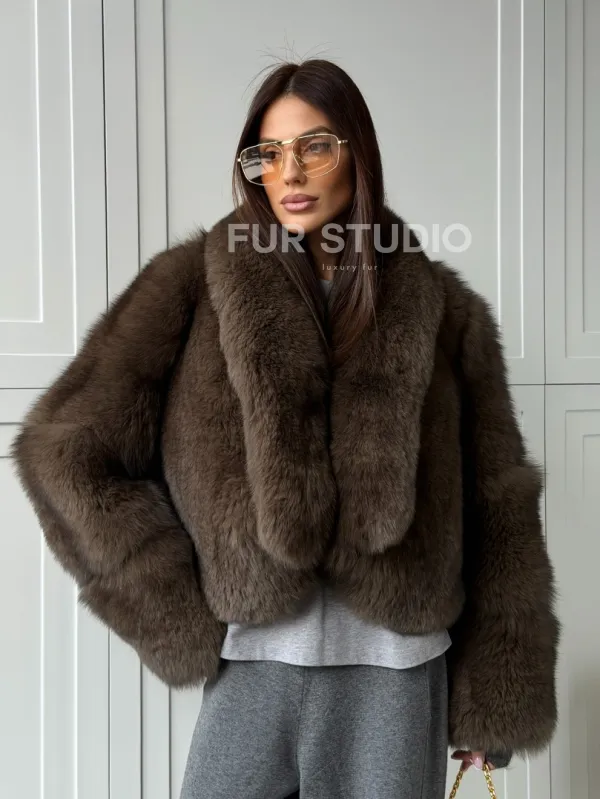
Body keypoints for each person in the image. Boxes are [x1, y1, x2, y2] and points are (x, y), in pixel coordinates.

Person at [11, 58, 559, 799]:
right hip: (252, 666)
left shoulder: (441, 310)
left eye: (315, 146)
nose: (290, 171)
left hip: (397, 676)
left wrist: (498, 691)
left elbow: (499, 506)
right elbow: (65, 448)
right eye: (267, 152)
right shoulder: (192, 286)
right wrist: (171, 608)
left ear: (358, 154)